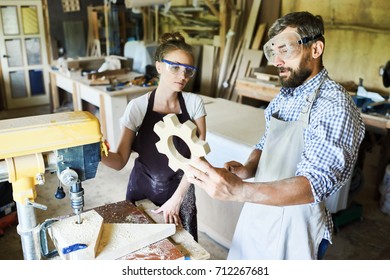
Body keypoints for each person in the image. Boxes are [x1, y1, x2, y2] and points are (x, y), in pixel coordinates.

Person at [185, 11, 365, 259]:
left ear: (315, 49)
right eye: (273, 52)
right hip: (259, 210)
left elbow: (315, 184)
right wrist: (247, 169)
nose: (277, 61)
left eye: (285, 50)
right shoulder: (286, 95)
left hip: (296, 224)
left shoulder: (334, 105)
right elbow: (266, 140)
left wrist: (239, 191)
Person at [102, 32, 206, 241]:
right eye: (175, 67)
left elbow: (198, 159)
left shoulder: (194, 104)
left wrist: (177, 200)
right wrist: (96, 152)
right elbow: (120, 160)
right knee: (142, 249)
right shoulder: (138, 107)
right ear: (159, 66)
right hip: (143, 188)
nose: (182, 75)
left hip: (181, 191)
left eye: (188, 70)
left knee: (183, 251)